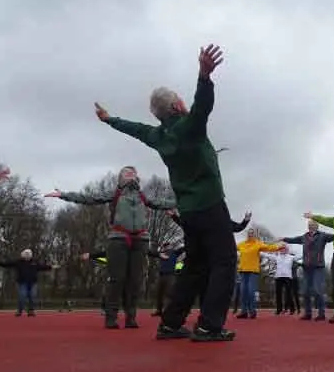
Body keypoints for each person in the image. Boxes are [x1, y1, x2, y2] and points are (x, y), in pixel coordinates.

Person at [95, 43, 237, 342]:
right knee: (224, 261)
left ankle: (171, 322)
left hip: (188, 209)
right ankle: (210, 324)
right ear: (176, 106)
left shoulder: (158, 135)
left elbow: (134, 128)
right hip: (210, 204)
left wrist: (109, 120)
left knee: (195, 265)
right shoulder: (189, 127)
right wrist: (204, 76)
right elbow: (203, 107)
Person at [45, 166, 175, 330]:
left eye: (134, 173)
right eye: (127, 173)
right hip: (118, 239)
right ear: (121, 178)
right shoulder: (115, 194)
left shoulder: (143, 197)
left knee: (135, 281)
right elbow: (89, 198)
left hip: (140, 240)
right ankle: (111, 317)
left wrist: (187, 199)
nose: (131, 175)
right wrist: (64, 195)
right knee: (116, 279)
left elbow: (163, 203)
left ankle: (131, 317)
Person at [280, 221, 334, 321]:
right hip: (307, 267)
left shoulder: (323, 236)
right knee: (305, 291)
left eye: (313, 225)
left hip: (318, 267)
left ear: (317, 227)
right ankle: (308, 313)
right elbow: (294, 239)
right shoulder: (304, 237)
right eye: (309, 225)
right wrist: (284, 239)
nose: (311, 227)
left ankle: (321, 314)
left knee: (318, 290)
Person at [236, 229, 284, 319]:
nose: (250, 235)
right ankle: (243, 312)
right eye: (249, 233)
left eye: (252, 233)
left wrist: (278, 247)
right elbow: (232, 247)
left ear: (255, 235)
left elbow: (269, 247)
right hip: (242, 271)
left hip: (253, 271)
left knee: (251, 292)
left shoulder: (258, 244)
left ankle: (252, 312)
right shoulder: (241, 244)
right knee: (243, 292)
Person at [0, 249, 58, 316]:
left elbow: (43, 267)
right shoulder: (19, 262)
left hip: (33, 283)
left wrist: (52, 267)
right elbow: (7, 264)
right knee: (22, 296)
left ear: (31, 255)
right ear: (23, 255)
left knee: (32, 296)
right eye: (26, 254)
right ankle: (20, 310)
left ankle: (31, 311)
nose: (27, 256)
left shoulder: (35, 262)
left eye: (29, 255)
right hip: (22, 282)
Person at [267, 246, 296, 315]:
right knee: (278, 294)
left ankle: (292, 309)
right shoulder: (277, 257)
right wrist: (259, 250)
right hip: (278, 277)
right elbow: (268, 255)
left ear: (287, 250)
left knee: (288, 294)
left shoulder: (291, 257)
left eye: (284, 249)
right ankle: (278, 310)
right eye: (281, 249)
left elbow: (301, 256)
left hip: (288, 277)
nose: (283, 250)